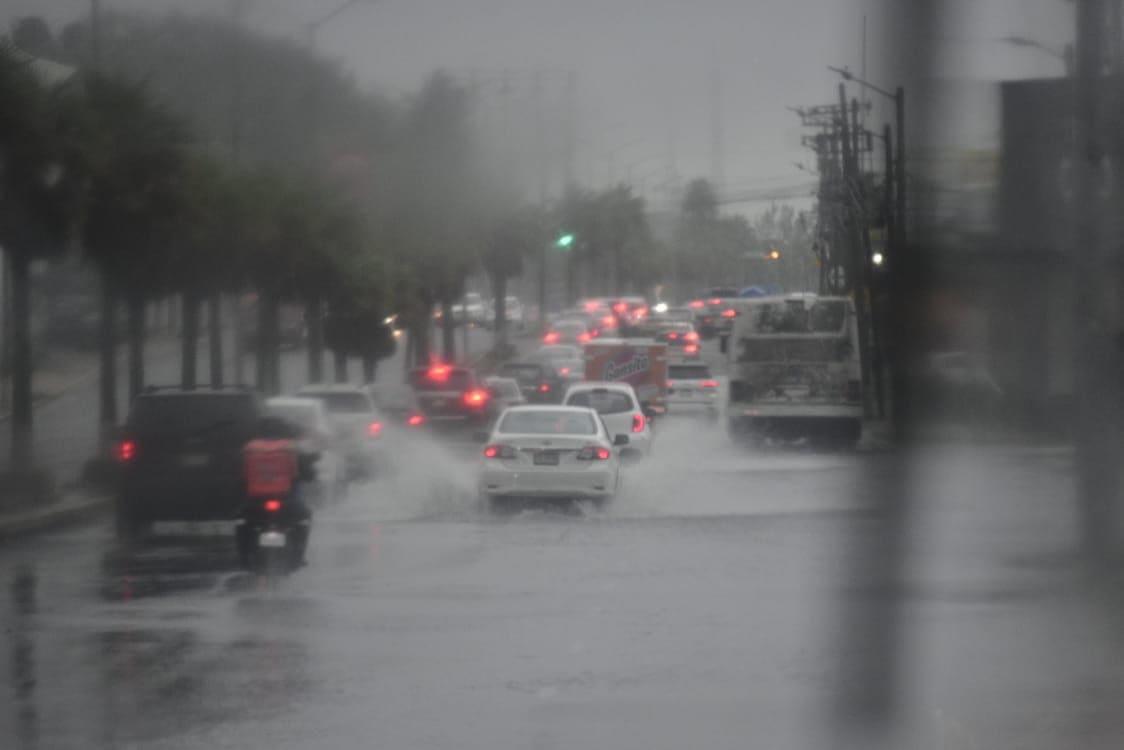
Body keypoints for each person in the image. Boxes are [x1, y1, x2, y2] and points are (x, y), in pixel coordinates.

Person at [236, 416, 313, 568]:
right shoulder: (290, 448)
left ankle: (244, 557)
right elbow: (304, 472)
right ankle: (299, 555)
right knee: (305, 517)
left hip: (255, 500)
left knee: (241, 521)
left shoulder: (250, 448)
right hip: (286, 500)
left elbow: (240, 473)